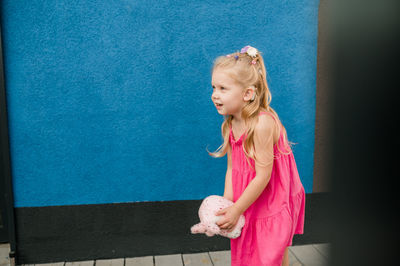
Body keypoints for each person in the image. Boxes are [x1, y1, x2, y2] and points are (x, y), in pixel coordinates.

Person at [208, 45, 305, 266]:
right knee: (250, 247)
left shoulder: (262, 124)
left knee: (272, 250)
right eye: (213, 87)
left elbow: (263, 176)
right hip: (249, 195)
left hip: (272, 196)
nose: (215, 94)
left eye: (223, 88)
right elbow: (232, 168)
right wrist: (227, 205)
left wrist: (237, 209)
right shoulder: (231, 123)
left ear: (248, 94)